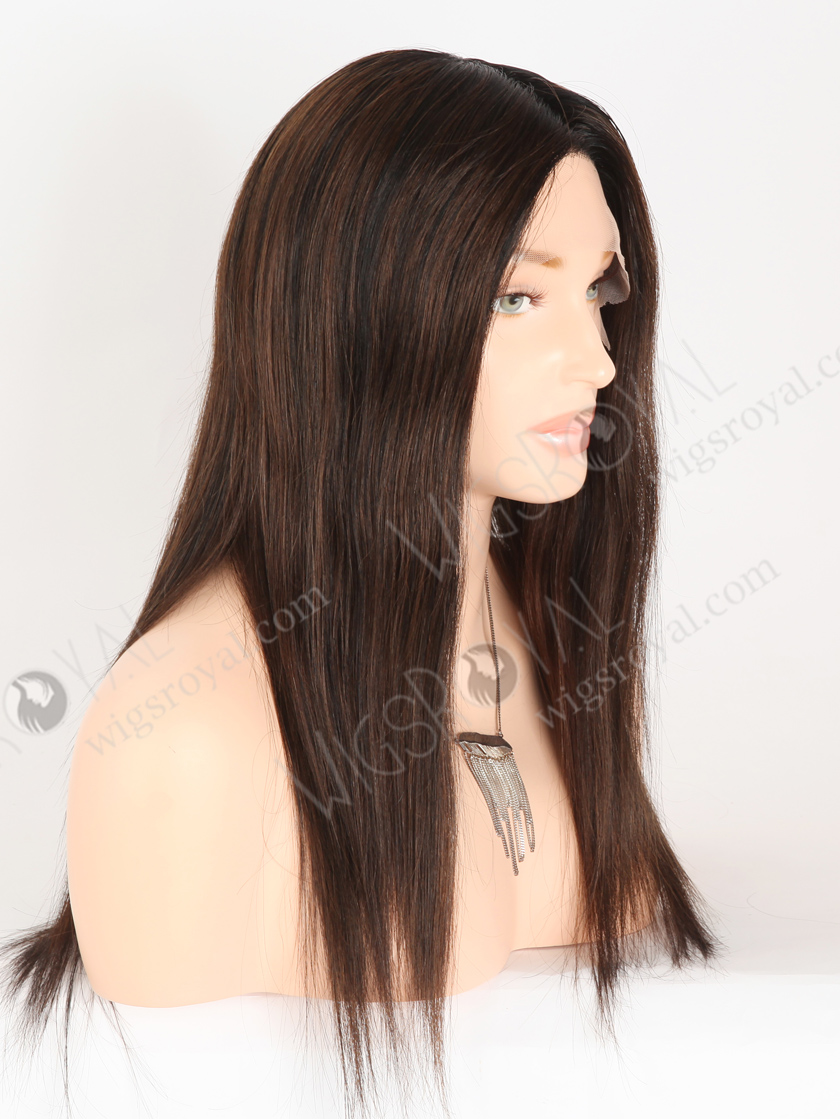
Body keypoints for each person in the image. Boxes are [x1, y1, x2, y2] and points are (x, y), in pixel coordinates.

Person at [0, 48, 720, 1117]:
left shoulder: (539, 616)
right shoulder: (181, 737)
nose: (598, 359)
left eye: (598, 291)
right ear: (357, 316)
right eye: (517, 296)